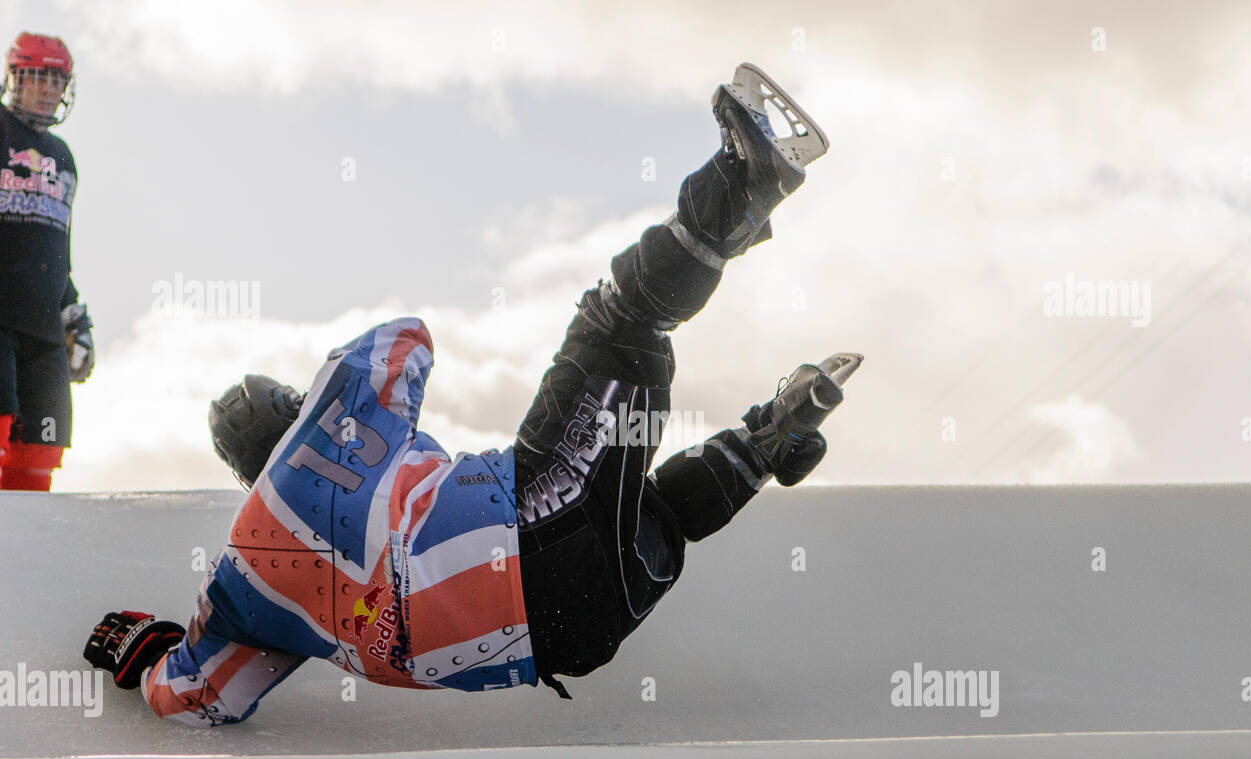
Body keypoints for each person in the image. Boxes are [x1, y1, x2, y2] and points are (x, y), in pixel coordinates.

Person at [83, 63, 861, 724]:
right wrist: (324, 396)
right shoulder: (335, 415)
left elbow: (196, 695)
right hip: (532, 527)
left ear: (243, 475)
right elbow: (408, 341)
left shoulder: (245, 580)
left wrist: (144, 648)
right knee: (618, 317)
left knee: (654, 512)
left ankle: (768, 444)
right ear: (289, 409)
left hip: (576, 633)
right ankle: (745, 177)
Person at [0, 32, 93, 492]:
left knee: (43, 449)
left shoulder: (63, 157)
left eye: (57, 81)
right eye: (37, 77)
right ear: (14, 77)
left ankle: (21, 561)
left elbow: (58, 247)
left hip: (43, 329)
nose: (47, 90)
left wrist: (72, 309)